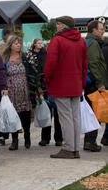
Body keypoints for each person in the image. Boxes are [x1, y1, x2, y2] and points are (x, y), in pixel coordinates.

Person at [45, 16, 87, 159]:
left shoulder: (57, 40)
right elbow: (84, 65)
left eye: (58, 24)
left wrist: (47, 79)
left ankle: (69, 148)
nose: (56, 26)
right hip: (76, 84)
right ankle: (75, 148)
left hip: (60, 84)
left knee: (66, 117)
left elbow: (50, 63)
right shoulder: (81, 41)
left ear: (63, 26)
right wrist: (81, 83)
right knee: (75, 117)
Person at [26, 38, 63, 147]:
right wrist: (39, 88)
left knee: (57, 114)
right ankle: (45, 138)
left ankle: (58, 138)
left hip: (56, 87)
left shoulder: (51, 55)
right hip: (45, 87)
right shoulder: (43, 55)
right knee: (47, 112)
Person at [1, 35, 33, 150]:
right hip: (11, 92)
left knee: (26, 115)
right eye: (15, 43)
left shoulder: (24, 57)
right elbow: (1, 75)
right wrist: (3, 87)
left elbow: (31, 73)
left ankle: (27, 136)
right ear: (10, 45)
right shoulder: (5, 58)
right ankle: (14, 140)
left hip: (25, 91)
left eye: (19, 43)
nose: (18, 45)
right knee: (13, 116)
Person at [83, 20, 107, 152]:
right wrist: (100, 83)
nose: (102, 30)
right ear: (94, 30)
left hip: (92, 84)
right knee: (95, 113)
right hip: (93, 85)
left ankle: (89, 141)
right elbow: (93, 64)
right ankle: (90, 142)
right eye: (101, 28)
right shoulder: (93, 44)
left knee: (93, 112)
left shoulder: (93, 42)